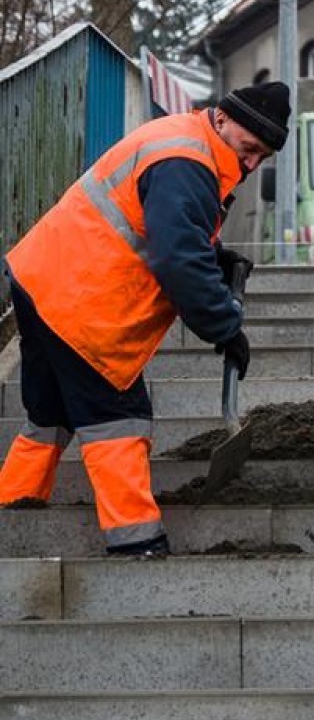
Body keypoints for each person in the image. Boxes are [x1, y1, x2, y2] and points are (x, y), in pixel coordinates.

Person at [0, 81, 291, 558]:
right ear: (222, 119)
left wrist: (211, 255)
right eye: (251, 148)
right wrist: (225, 328)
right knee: (119, 416)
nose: (252, 164)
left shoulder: (182, 140)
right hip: (80, 300)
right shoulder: (189, 163)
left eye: (263, 157)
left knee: (48, 412)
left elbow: (159, 227)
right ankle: (138, 546)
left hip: (41, 280)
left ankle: (13, 505)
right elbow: (177, 259)